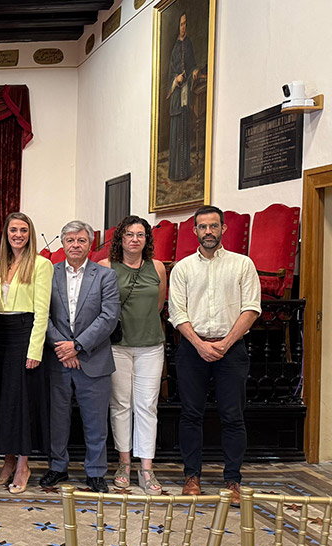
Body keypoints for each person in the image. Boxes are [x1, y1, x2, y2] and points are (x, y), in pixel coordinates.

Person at [169, 205, 260, 506]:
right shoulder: (182, 268)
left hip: (231, 350)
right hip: (193, 350)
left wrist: (226, 342)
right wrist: (199, 344)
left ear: (223, 229)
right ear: (194, 231)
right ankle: (191, 476)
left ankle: (232, 480)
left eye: (214, 226)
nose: (208, 232)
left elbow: (252, 308)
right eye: (203, 227)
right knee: (191, 415)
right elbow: (176, 312)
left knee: (233, 416)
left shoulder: (242, 264)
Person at [39, 221, 119, 494]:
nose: (75, 245)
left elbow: (109, 317)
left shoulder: (105, 276)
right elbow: (42, 315)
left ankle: (96, 472)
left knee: (96, 421)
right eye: (70, 240)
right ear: (62, 243)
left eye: (81, 240)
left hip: (93, 358)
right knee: (57, 419)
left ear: (90, 244)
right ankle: (57, 467)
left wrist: (78, 346)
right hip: (58, 358)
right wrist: (63, 346)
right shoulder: (48, 274)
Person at [98, 216, 168, 495]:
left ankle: (147, 467)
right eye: (129, 234)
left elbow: (160, 303)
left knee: (147, 405)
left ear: (147, 240)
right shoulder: (106, 267)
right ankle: (124, 463)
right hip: (118, 346)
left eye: (140, 234)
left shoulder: (158, 268)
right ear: (121, 239)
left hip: (151, 345)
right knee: (121, 404)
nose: (135, 239)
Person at [0, 213, 52, 495]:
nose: (18, 235)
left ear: (30, 233)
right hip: (0, 335)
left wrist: (35, 349)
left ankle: (24, 463)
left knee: (23, 402)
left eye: (23, 230)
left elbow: (42, 312)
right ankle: (8, 460)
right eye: (13, 230)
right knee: (3, 401)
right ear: (6, 233)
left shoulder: (42, 265)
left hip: (25, 334)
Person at [167, 11, 199, 181]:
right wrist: (175, 79)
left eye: (185, 23)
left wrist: (194, 70)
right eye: (181, 24)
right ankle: (175, 172)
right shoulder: (174, 50)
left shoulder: (189, 44)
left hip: (185, 94)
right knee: (176, 133)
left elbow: (192, 62)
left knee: (185, 132)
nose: (183, 27)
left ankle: (184, 171)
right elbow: (170, 73)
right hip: (176, 95)